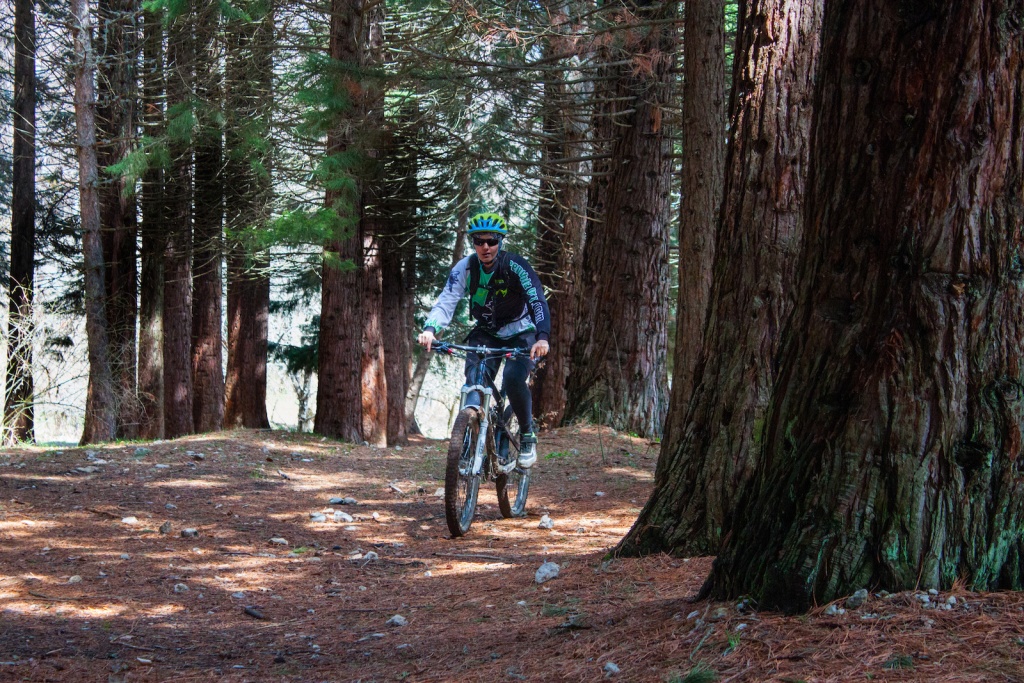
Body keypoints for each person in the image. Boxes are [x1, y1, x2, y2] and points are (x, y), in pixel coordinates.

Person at [417, 212, 550, 468]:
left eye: (491, 241)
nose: (485, 247)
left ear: (500, 241)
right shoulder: (466, 267)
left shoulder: (516, 266)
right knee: (474, 382)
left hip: (521, 333)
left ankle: (526, 434)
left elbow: (537, 299)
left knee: (512, 379)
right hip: (486, 332)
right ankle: (468, 441)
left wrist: (542, 337)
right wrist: (431, 329)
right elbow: (448, 299)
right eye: (479, 241)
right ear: (473, 243)